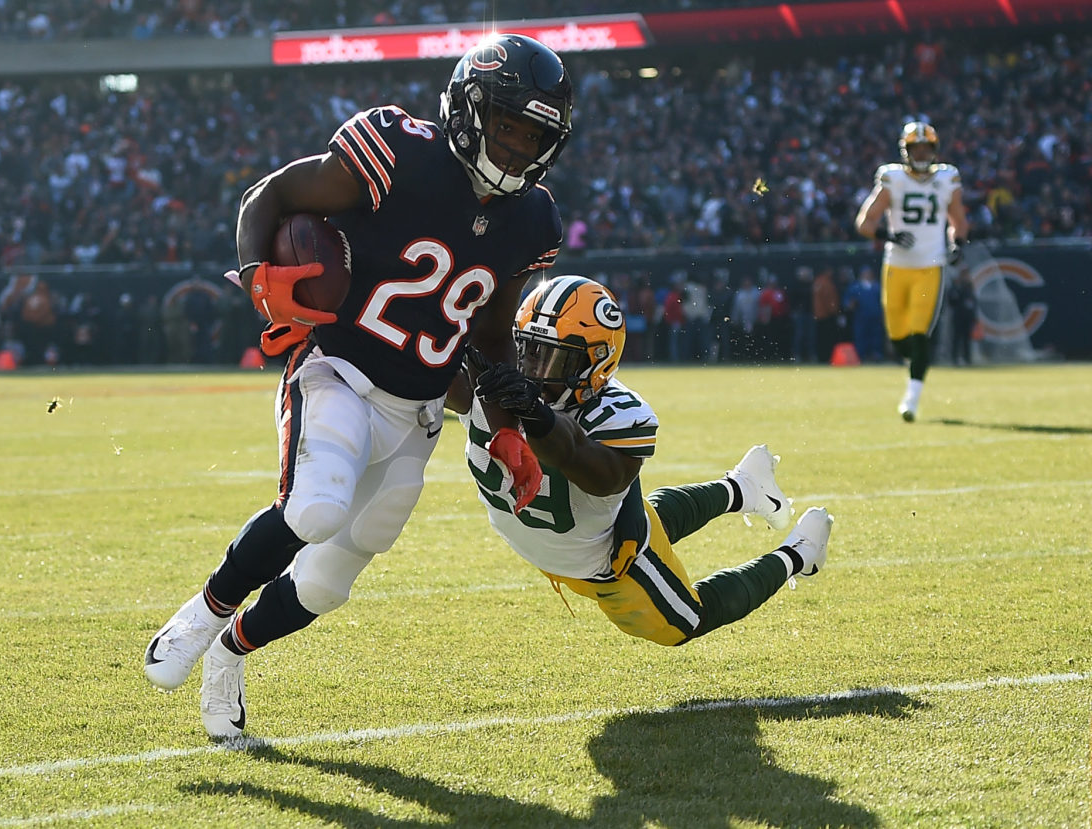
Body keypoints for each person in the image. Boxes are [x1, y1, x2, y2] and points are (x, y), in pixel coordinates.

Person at [144, 34, 574, 738]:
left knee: (326, 582)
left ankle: (229, 654)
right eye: (507, 126)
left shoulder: (533, 219)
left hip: (421, 411)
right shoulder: (397, 150)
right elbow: (271, 194)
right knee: (314, 509)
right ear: (470, 109)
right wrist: (259, 277)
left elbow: (492, 336)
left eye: (536, 136)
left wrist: (505, 428)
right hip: (337, 369)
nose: (520, 148)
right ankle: (202, 614)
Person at [448, 275, 834, 647]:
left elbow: (591, 469)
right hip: (559, 541)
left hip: (605, 563)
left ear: (594, 364)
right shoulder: (488, 380)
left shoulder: (618, 416)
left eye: (554, 360)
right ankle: (744, 486)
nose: (533, 371)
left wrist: (534, 413)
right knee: (653, 519)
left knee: (685, 622)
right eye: (528, 350)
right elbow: (424, 375)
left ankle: (799, 552)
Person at [855, 121, 968, 421]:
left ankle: (912, 400)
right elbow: (865, 223)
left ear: (933, 150)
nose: (920, 153)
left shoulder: (948, 177)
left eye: (924, 147)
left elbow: (958, 220)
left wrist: (957, 243)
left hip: (930, 266)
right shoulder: (892, 177)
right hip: (897, 265)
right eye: (914, 147)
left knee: (920, 335)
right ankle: (915, 367)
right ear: (905, 151)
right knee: (898, 339)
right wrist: (887, 236)